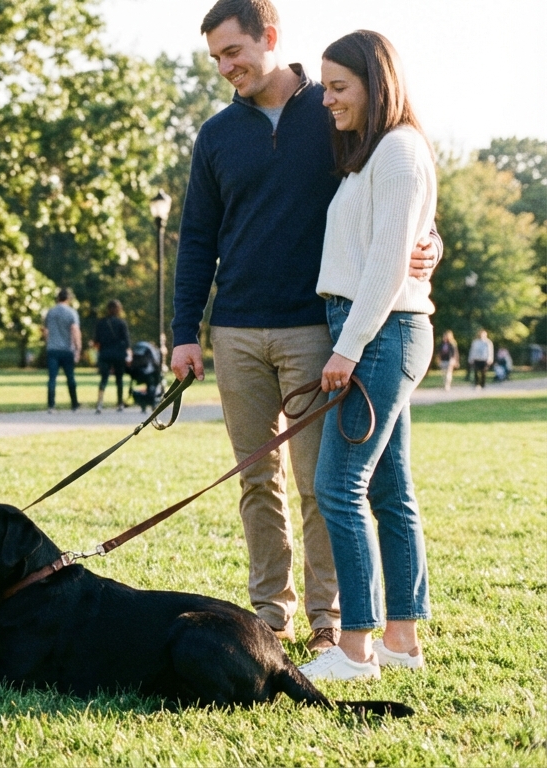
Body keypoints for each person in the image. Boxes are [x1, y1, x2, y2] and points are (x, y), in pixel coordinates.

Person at [172, 0, 441, 654]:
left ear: (269, 36)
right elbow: (196, 238)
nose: (225, 68)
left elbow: (396, 201)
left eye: (233, 52)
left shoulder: (336, 109)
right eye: (215, 59)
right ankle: (272, 614)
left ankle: (329, 619)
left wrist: (431, 240)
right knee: (255, 482)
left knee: (322, 485)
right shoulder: (215, 134)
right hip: (235, 330)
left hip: (319, 330)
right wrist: (185, 330)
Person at [297, 29, 437, 682]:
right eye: (324, 86)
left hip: (379, 331)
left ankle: (354, 651)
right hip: (377, 327)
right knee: (388, 488)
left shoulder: (401, 151)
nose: (327, 99)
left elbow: (386, 263)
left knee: (338, 486)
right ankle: (401, 641)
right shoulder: (375, 154)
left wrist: (347, 348)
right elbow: (394, 246)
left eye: (338, 87)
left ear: (375, 84)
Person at [41, 288, 81, 413]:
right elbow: (74, 330)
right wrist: (78, 347)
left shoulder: (50, 312)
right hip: (67, 349)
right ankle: (74, 404)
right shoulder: (71, 312)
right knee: (70, 377)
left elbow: (45, 330)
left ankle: (51, 405)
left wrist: (49, 342)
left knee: (52, 378)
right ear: (68, 299)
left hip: (52, 349)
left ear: (58, 298)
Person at [93, 300, 131, 413]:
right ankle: (119, 403)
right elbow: (127, 342)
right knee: (119, 379)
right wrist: (128, 355)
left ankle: (99, 403)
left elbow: (96, 341)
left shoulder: (101, 323)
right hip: (119, 354)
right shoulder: (122, 323)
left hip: (105, 354)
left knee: (104, 379)